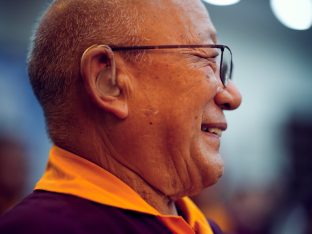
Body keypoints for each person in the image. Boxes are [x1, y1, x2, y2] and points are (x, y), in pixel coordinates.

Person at [0, 0, 241, 233]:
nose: (233, 96)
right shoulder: (39, 228)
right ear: (108, 82)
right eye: (205, 58)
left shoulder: (200, 225)